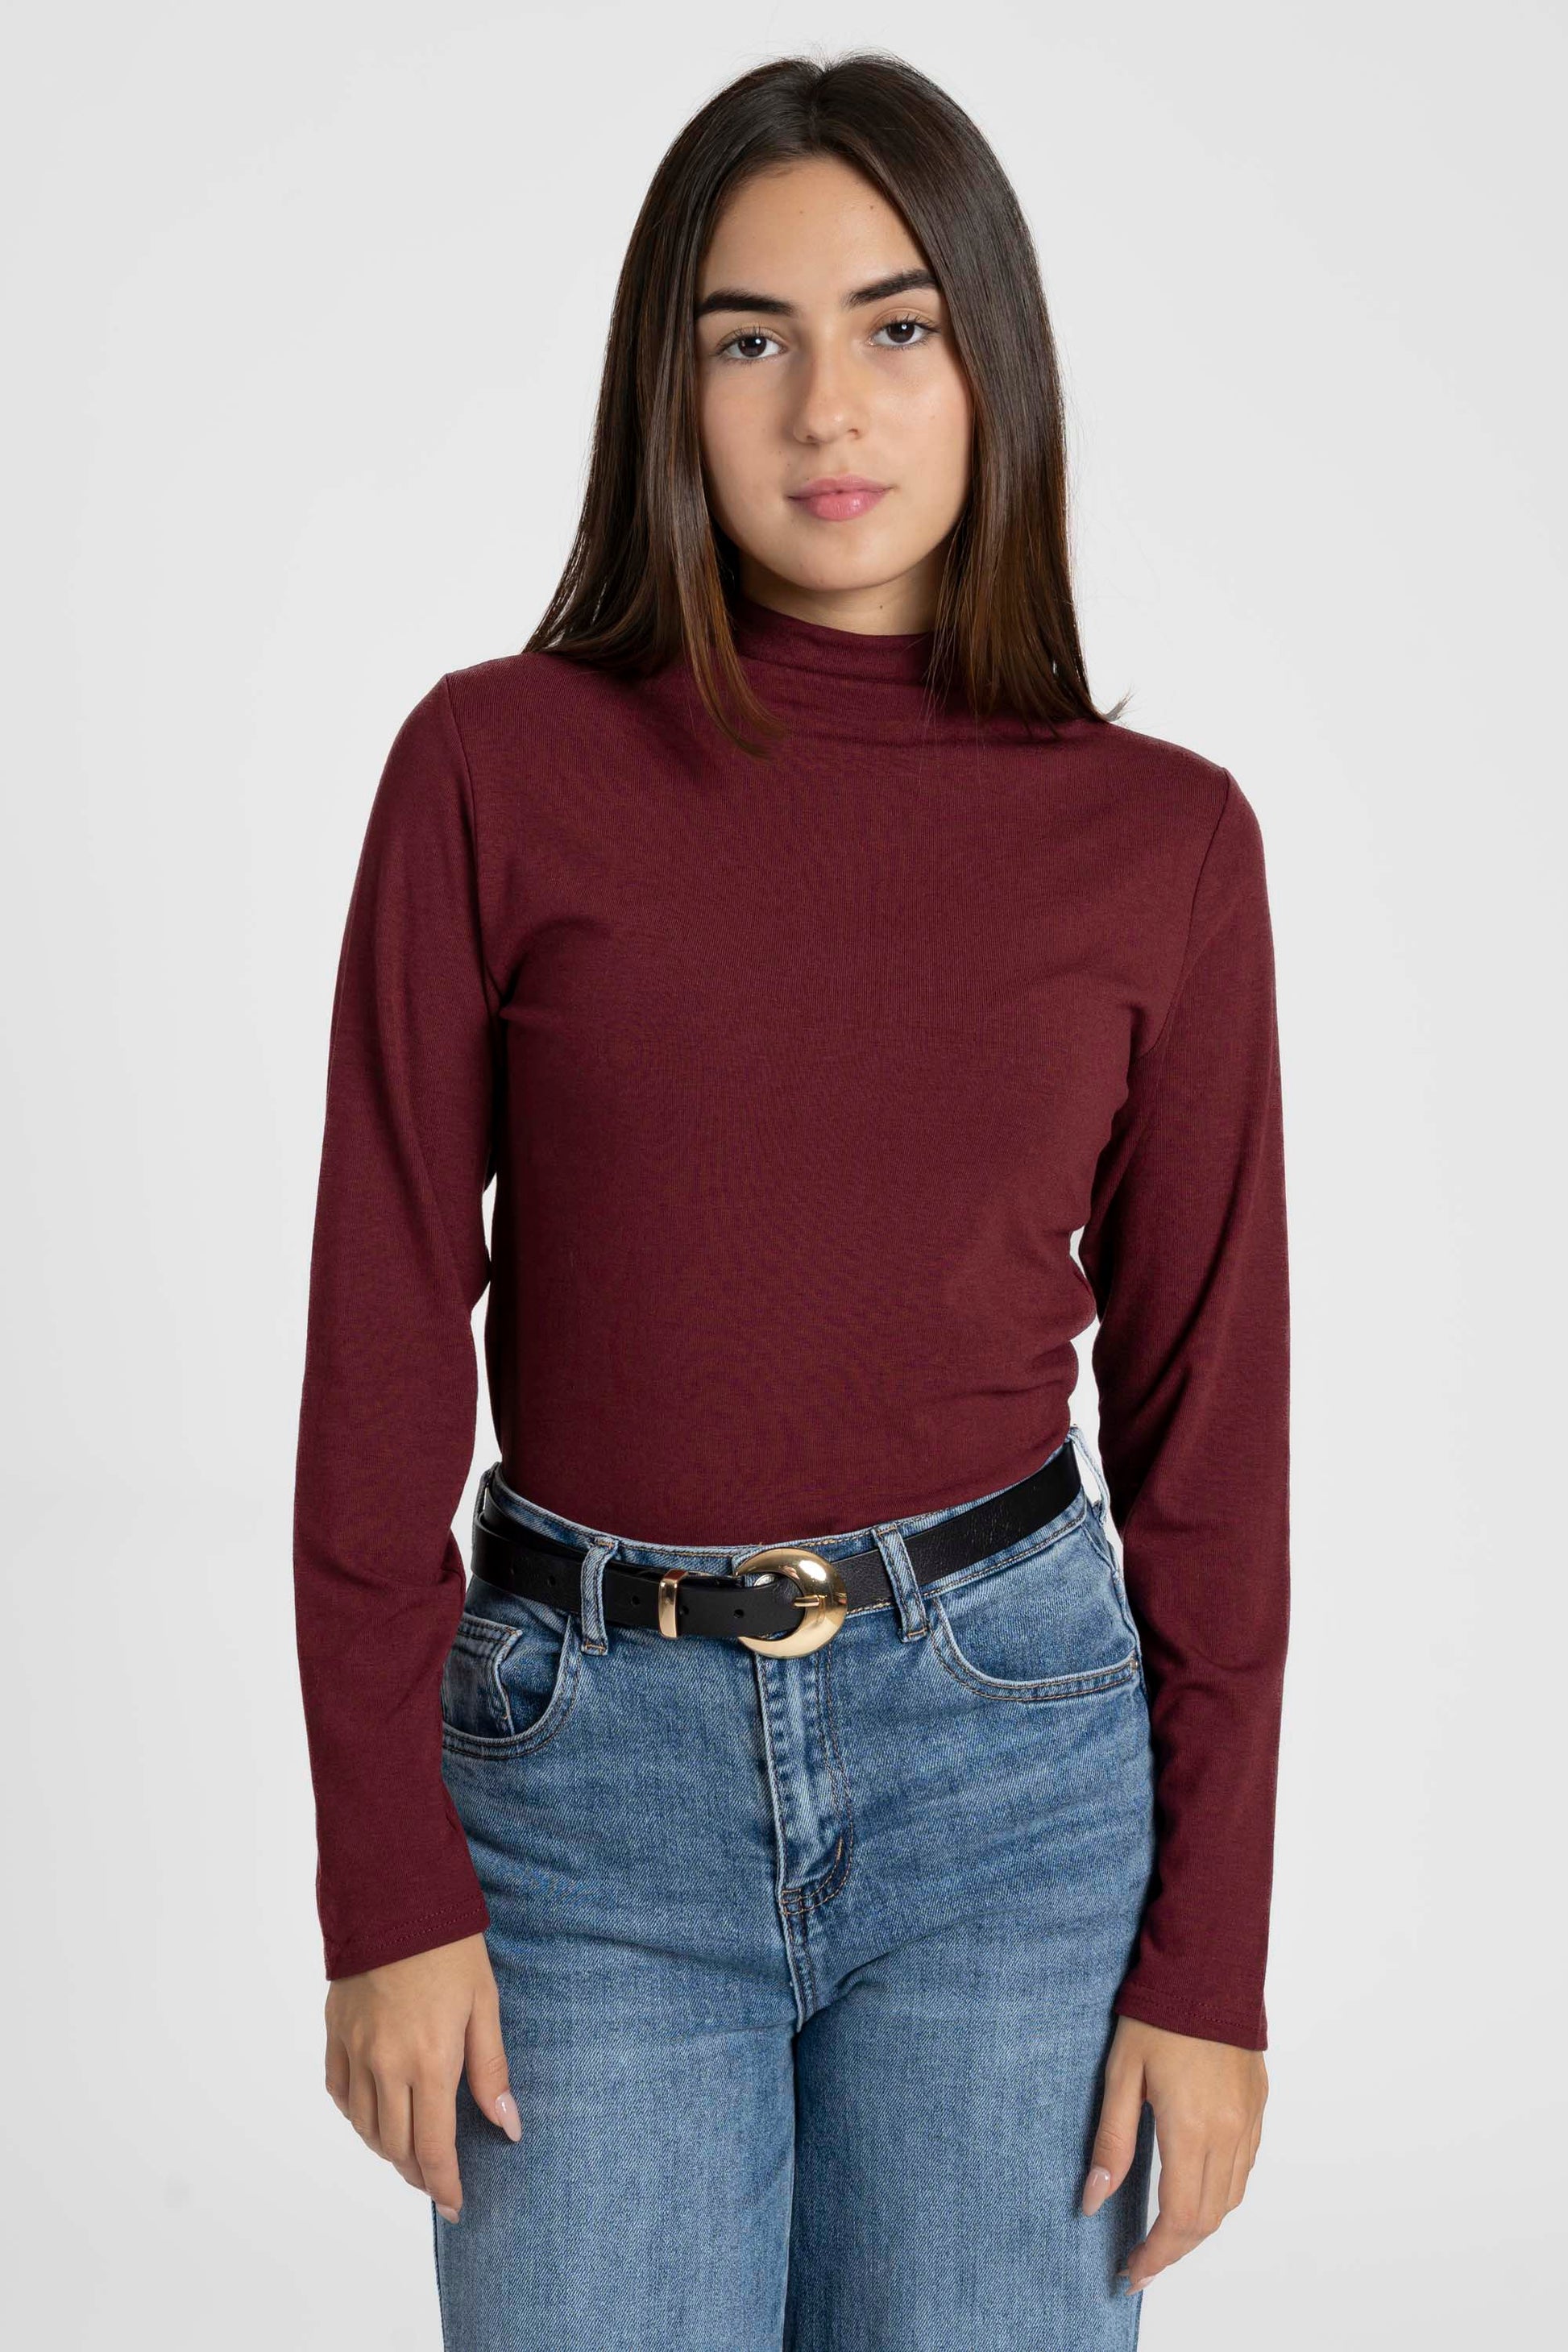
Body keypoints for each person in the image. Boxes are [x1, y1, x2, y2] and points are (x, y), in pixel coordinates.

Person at [292, 50, 1289, 2352]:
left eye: (896, 325)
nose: (825, 406)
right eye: (750, 336)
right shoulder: (493, 770)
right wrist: (383, 1886)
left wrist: (1212, 1961)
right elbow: (375, 1346)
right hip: (579, 1798)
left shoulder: (1162, 841)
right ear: (670, 384)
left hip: (1012, 1784)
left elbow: (1212, 1434)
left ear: (990, 363)